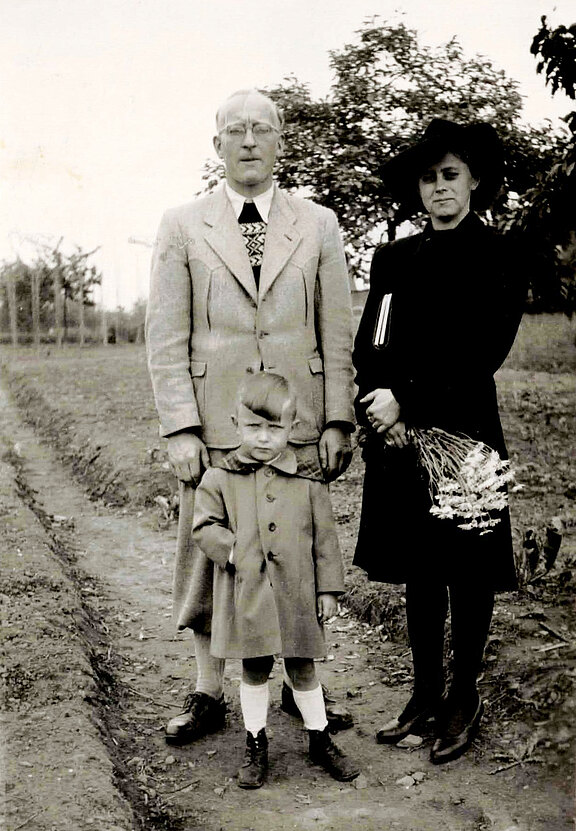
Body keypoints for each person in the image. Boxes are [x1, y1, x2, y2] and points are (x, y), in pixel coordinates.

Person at [145, 89, 355, 745]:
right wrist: (181, 426)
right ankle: (208, 691)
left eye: (261, 129)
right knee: (214, 555)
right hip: (215, 425)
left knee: (292, 555)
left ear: (280, 142)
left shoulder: (318, 224)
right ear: (216, 146)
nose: (247, 140)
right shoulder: (182, 225)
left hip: (295, 420)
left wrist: (337, 419)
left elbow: (336, 329)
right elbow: (164, 335)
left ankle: (299, 686)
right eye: (233, 130)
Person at [352, 119, 527, 764]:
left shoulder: (498, 256)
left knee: (466, 567)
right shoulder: (394, 260)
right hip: (398, 438)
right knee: (420, 567)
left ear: (474, 180)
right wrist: (377, 405)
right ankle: (424, 694)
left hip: (465, 434)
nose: (439, 188)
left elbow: (482, 352)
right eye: (428, 178)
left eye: (450, 175)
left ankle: (463, 697)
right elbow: (372, 343)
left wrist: (409, 400)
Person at [192, 372, 360, 788]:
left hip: (297, 593)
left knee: (302, 667)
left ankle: (319, 739)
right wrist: (233, 551)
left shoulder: (308, 483)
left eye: (274, 428)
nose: (264, 438)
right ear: (235, 424)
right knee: (254, 668)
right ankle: (255, 741)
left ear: (292, 428)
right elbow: (203, 527)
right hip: (250, 594)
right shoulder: (219, 478)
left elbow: (325, 542)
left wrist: (328, 590)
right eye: (253, 427)